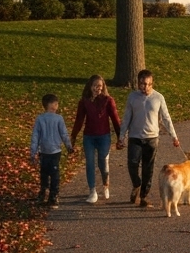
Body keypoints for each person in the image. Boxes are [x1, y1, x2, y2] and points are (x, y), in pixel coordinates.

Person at [119, 69, 178, 208]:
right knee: (132, 163)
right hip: (135, 136)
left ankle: (144, 196)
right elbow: (127, 117)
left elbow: (166, 118)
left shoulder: (158, 98)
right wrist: (122, 136)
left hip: (151, 138)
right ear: (138, 83)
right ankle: (136, 184)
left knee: (148, 168)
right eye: (141, 84)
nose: (144, 87)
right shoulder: (132, 97)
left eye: (147, 84)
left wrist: (174, 136)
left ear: (152, 84)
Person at [71, 74, 120, 204]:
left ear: (103, 87)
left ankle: (105, 184)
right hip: (89, 137)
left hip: (104, 136)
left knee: (103, 162)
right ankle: (92, 191)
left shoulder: (108, 100)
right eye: (94, 86)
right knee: (90, 163)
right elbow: (79, 120)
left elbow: (115, 119)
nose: (97, 89)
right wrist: (73, 136)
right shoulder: (84, 102)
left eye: (99, 86)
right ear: (90, 86)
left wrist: (120, 137)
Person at [29, 94, 73, 208]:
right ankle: (53, 196)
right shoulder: (59, 118)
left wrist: (33, 152)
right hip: (55, 151)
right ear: (52, 105)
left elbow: (35, 136)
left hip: (43, 151)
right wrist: (68, 146)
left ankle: (43, 193)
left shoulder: (40, 119)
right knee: (54, 174)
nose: (57, 106)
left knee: (44, 173)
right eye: (56, 103)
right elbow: (64, 134)